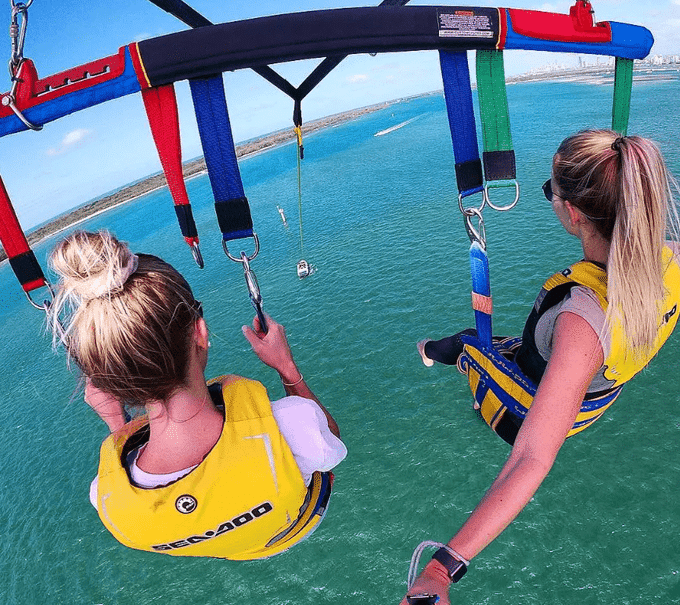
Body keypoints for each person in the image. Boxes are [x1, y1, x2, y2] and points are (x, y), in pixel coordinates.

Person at [403, 130, 680, 603]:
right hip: (588, 393)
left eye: (550, 191)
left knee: (469, 344)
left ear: (572, 213)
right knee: (508, 344)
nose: (550, 199)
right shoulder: (671, 258)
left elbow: (532, 458)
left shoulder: (582, 320)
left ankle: (427, 350)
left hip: (525, 410)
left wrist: (440, 571)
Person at [49, 230, 346, 560]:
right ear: (200, 332)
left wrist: (119, 426)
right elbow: (331, 440)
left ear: (111, 379)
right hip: (298, 520)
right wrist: (287, 368)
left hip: (236, 549)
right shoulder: (291, 426)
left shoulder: (107, 498)